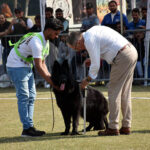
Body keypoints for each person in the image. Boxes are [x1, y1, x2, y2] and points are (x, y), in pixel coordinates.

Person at [67, 25, 138, 136]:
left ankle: (113, 127)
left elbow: (95, 65)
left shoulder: (89, 40)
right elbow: (106, 47)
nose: (77, 50)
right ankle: (126, 125)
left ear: (78, 41)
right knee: (125, 93)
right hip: (130, 51)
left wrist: (88, 79)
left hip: (122, 56)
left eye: (75, 48)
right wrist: (93, 59)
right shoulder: (92, 33)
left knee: (113, 91)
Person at [6, 18, 63, 137]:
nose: (57, 36)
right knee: (24, 96)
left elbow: (43, 63)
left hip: (25, 64)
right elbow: (38, 66)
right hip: (15, 64)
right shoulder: (37, 42)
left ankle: (29, 127)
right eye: (56, 33)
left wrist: (51, 79)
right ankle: (27, 129)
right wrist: (52, 83)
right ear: (48, 30)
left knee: (32, 96)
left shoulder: (45, 42)